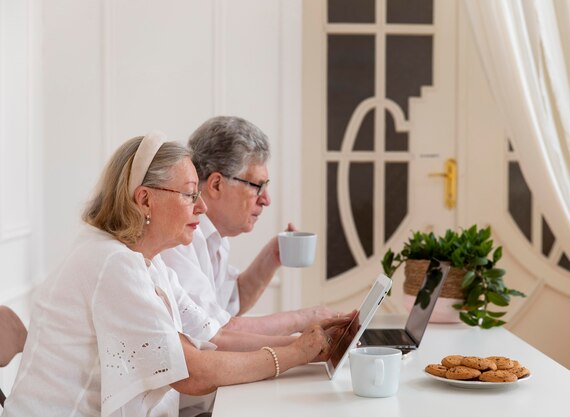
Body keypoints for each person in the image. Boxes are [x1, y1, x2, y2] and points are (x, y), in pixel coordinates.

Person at [2, 133, 349, 417]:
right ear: (145, 200)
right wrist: (297, 353)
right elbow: (194, 373)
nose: (200, 207)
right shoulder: (113, 264)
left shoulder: (147, 261)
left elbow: (214, 336)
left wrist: (311, 343)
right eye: (188, 194)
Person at [161, 116, 337, 336]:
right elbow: (215, 330)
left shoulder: (215, 236)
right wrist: (303, 319)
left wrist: (272, 256)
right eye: (257, 186)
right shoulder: (177, 238)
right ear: (217, 184)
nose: (266, 200)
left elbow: (229, 304)